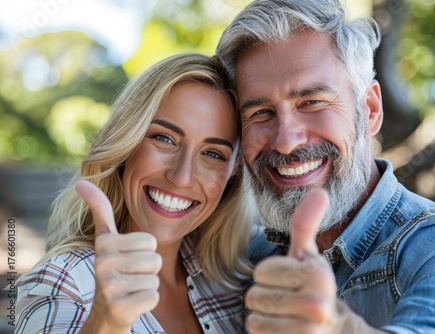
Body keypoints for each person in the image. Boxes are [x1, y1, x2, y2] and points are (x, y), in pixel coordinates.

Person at [216, 0, 435, 333]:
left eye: (312, 102)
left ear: (370, 110)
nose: (286, 141)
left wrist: (338, 327)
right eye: (260, 113)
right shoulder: (243, 261)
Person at [15, 53, 270, 333]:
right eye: (164, 138)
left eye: (212, 153)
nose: (182, 178)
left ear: (232, 174)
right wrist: (105, 322)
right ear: (127, 141)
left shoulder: (234, 278)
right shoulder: (64, 284)